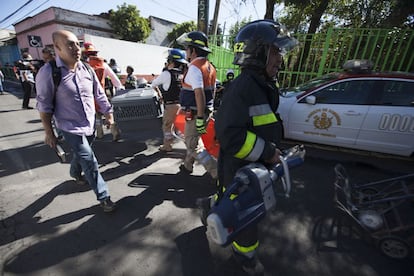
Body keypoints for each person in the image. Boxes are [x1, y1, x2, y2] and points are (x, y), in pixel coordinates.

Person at [203, 20, 299, 275]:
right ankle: (246, 256)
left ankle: (212, 207)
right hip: (241, 171)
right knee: (246, 216)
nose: (280, 58)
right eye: (276, 51)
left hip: (249, 168)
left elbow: (258, 125)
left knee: (227, 197)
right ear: (258, 52)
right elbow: (231, 136)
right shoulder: (244, 88)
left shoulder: (261, 84)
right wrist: (268, 152)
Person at [36, 30, 117, 212]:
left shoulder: (87, 69)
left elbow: (99, 94)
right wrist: (49, 132)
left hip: (89, 124)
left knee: (82, 154)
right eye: (70, 45)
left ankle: (74, 172)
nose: (76, 48)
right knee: (89, 159)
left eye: (77, 44)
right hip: (69, 127)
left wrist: (108, 113)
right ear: (57, 48)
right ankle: (104, 197)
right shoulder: (49, 72)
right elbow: (44, 106)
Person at [176, 31, 217, 177]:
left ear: (193, 50)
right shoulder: (209, 66)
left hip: (196, 113)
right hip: (205, 111)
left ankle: (216, 172)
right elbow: (212, 91)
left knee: (192, 143)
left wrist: (199, 117)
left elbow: (199, 94)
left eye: (187, 48)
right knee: (193, 140)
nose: (186, 51)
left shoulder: (194, 67)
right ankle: (187, 165)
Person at [82, 42, 124, 141]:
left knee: (97, 116)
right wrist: (119, 88)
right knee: (109, 114)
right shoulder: (103, 64)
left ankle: (100, 133)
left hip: (90, 96)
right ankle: (114, 131)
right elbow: (114, 79)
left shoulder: (84, 66)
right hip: (103, 93)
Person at [151, 48, 188, 152]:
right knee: (182, 128)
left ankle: (167, 146)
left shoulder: (166, 74)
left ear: (171, 62)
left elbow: (153, 84)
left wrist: (159, 93)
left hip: (171, 106)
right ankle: (191, 147)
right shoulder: (182, 74)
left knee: (167, 127)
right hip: (182, 105)